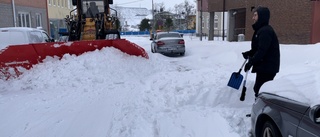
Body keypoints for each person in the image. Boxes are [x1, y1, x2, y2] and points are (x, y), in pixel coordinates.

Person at [242, 6, 280, 97]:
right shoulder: (261, 30)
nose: (253, 18)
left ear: (262, 16)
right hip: (264, 66)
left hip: (267, 67)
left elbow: (262, 51)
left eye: (255, 15)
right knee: (259, 89)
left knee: (261, 90)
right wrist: (250, 53)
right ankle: (260, 108)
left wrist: (251, 62)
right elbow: (258, 48)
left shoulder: (265, 31)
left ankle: (261, 110)